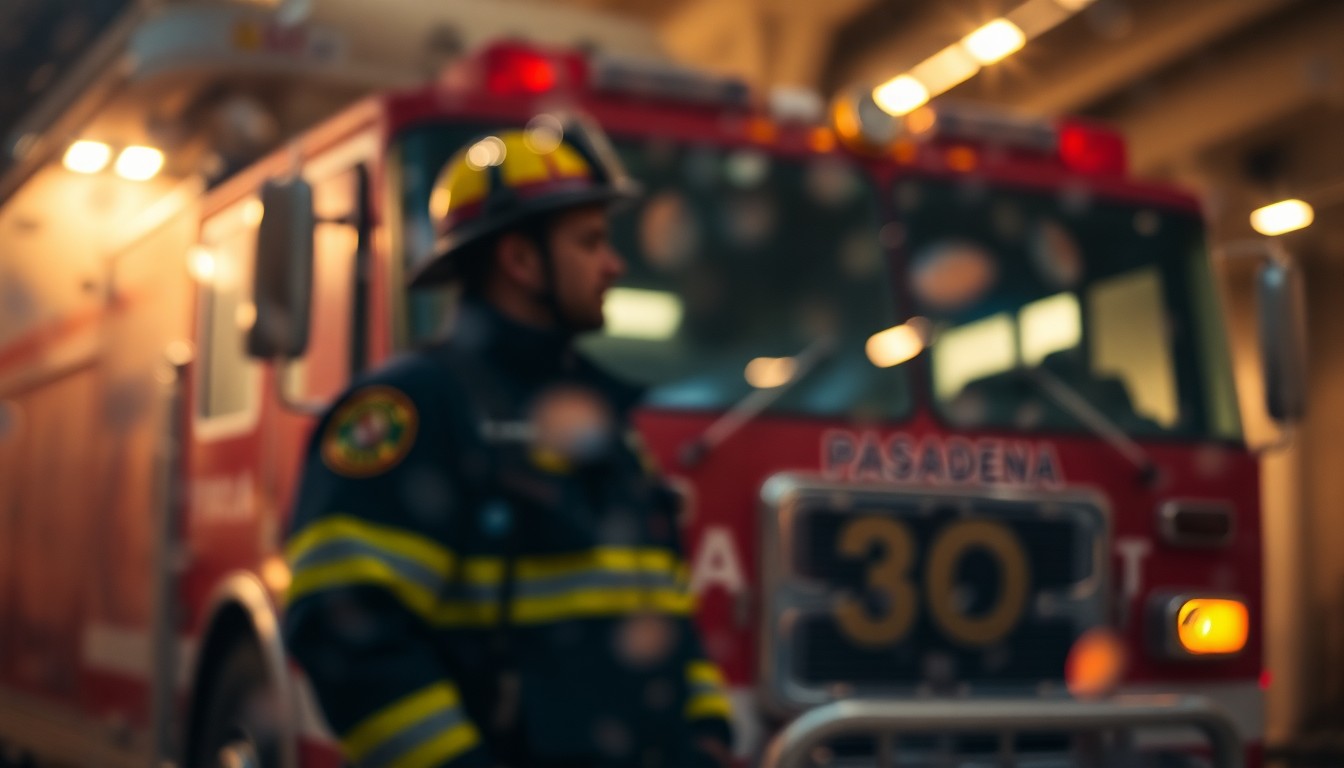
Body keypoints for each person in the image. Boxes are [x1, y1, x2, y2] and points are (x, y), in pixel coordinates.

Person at [282, 117, 735, 768]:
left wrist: (707, 737)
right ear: (521, 260)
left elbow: (666, 608)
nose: (615, 264)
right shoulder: (413, 409)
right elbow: (345, 630)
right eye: (590, 242)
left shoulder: (604, 425)